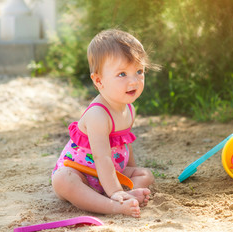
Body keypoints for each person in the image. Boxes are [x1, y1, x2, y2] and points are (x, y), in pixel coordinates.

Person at [51, 29, 159, 218]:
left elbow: (126, 143)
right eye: (122, 74)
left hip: (112, 173)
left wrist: (128, 174)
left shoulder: (129, 109)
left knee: (145, 174)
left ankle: (127, 195)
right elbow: (102, 158)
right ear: (99, 81)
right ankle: (113, 205)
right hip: (82, 173)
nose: (133, 81)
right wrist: (116, 192)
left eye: (139, 71)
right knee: (63, 180)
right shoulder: (98, 115)